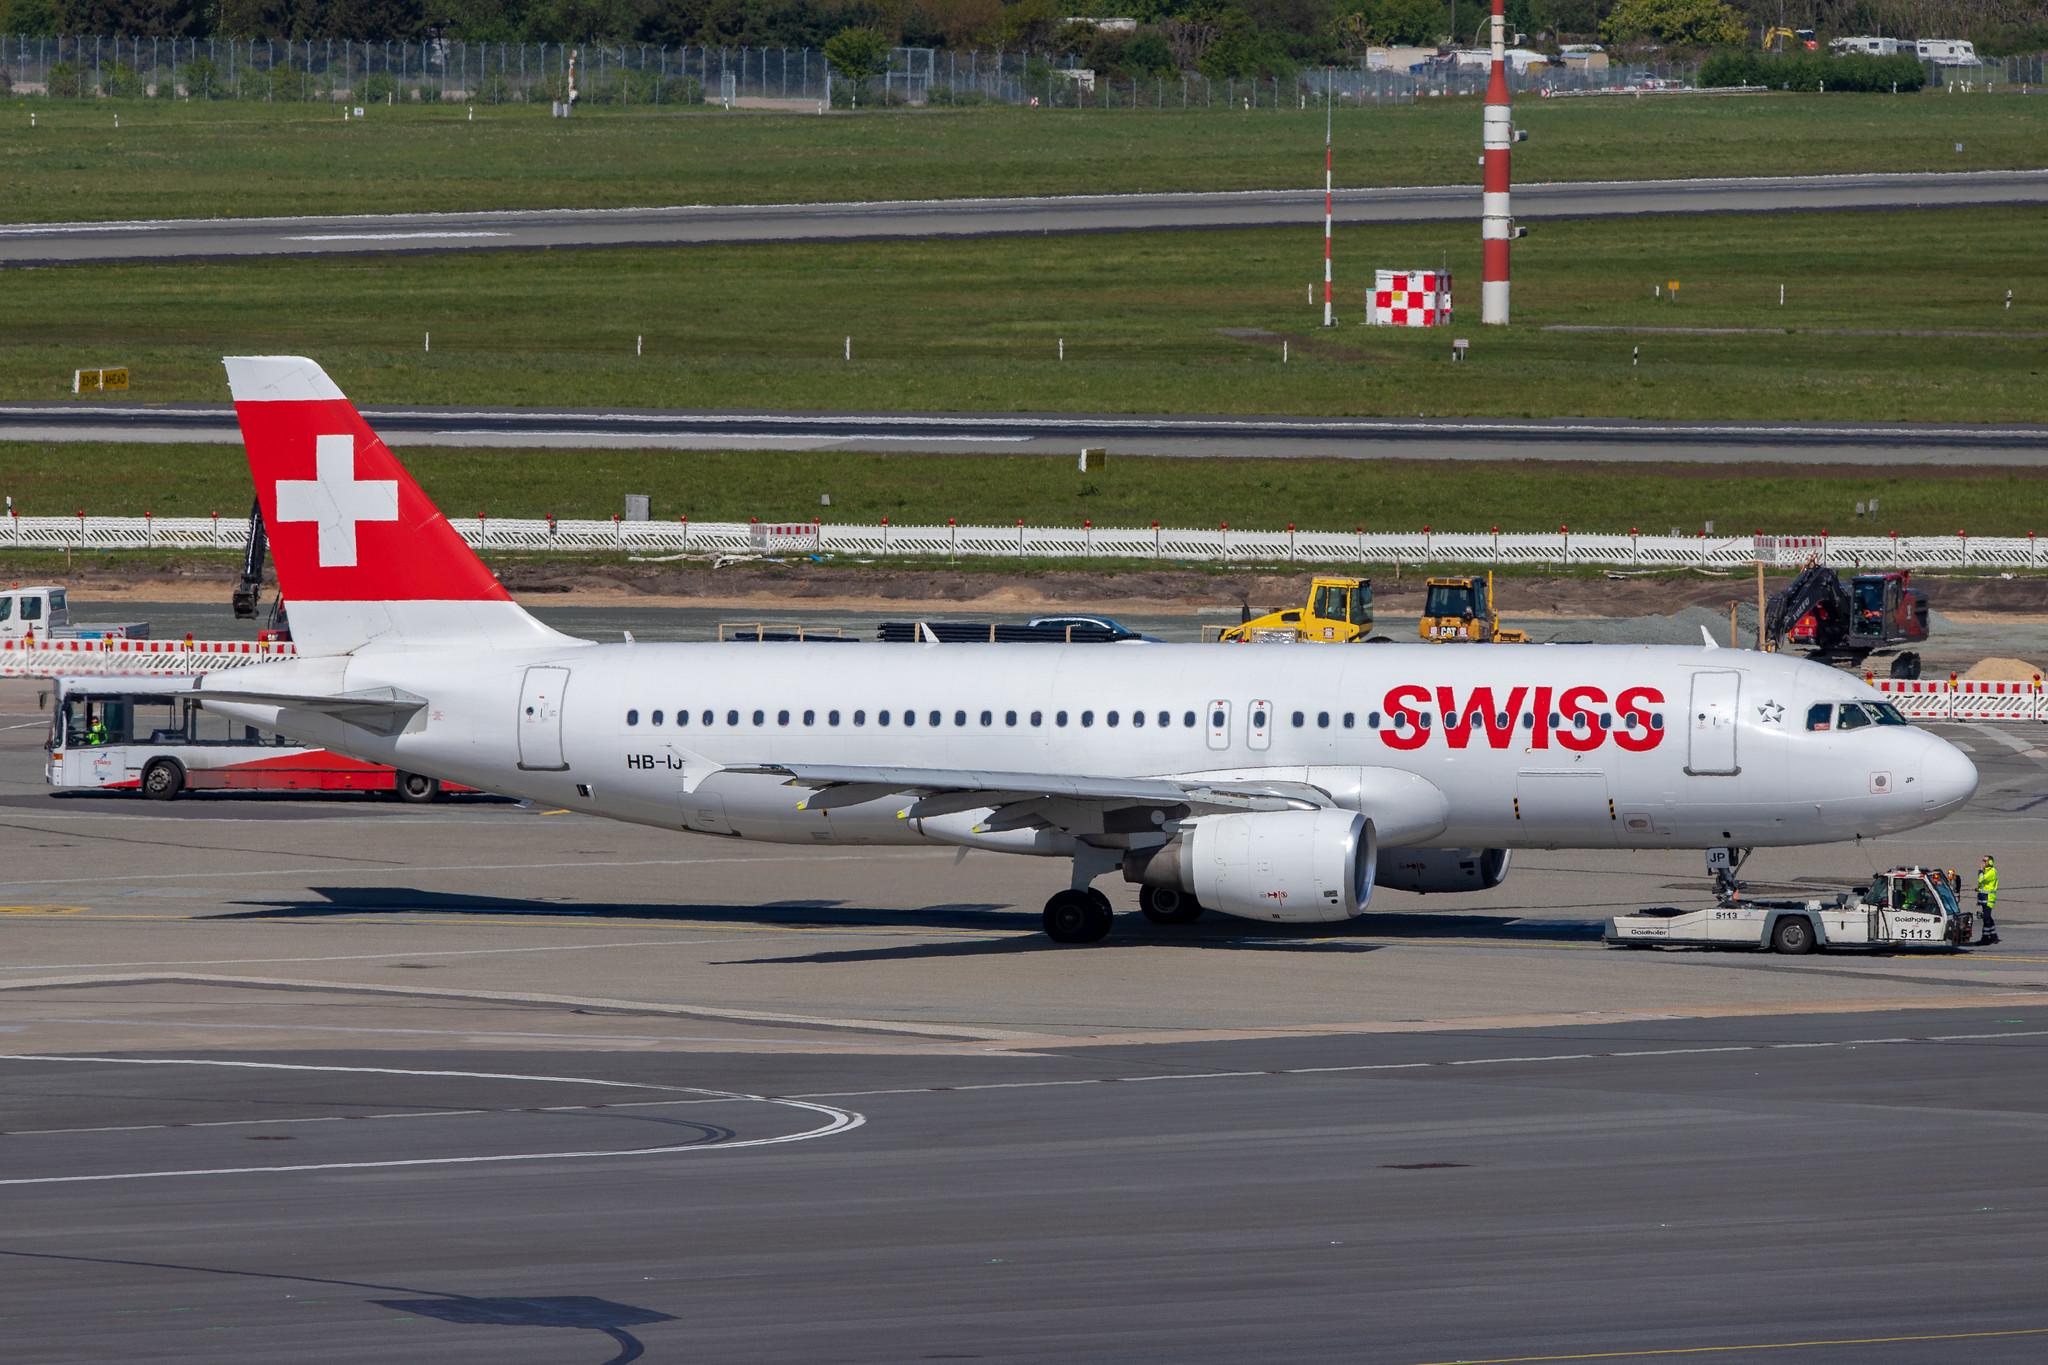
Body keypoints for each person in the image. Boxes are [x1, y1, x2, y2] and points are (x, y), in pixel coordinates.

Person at [1976, 855, 2000, 944]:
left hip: (1988, 898)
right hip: (1984, 898)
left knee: (1986, 918)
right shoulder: (1987, 871)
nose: (1983, 862)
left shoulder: (1992, 872)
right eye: (1983, 860)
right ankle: (1993, 936)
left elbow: (1981, 880)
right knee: (1987, 917)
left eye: (1985, 861)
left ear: (1990, 862)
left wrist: (1980, 871)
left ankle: (1985, 937)